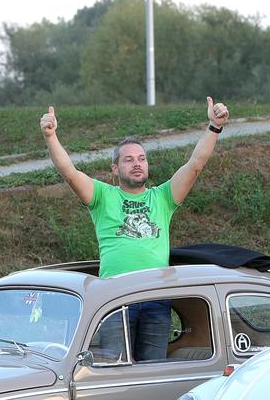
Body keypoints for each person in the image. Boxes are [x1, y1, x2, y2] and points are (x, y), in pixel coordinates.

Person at [41, 98, 231, 360]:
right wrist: (50, 136)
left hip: (157, 299)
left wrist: (214, 127)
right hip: (114, 301)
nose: (137, 164)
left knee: (153, 371)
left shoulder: (162, 197)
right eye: (129, 160)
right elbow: (69, 172)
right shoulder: (102, 196)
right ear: (115, 168)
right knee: (115, 369)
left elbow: (195, 164)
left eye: (142, 158)